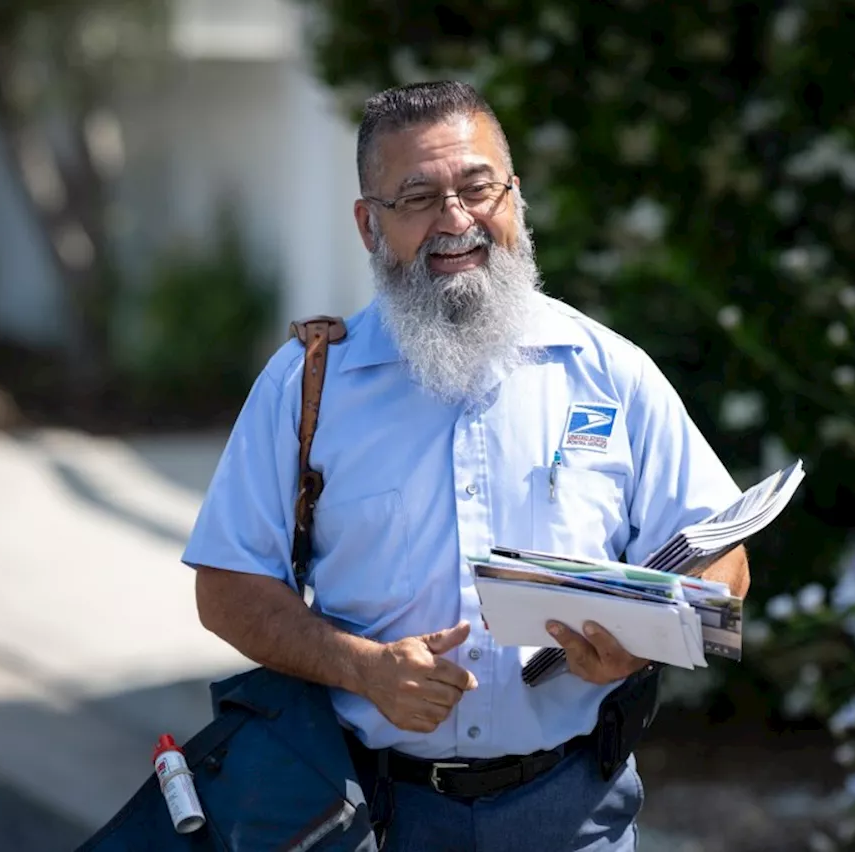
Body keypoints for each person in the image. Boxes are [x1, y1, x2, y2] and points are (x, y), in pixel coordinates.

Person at [183, 80, 749, 852]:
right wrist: (363, 668)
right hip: (373, 814)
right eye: (417, 197)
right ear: (368, 224)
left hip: (574, 808)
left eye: (478, 188)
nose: (456, 221)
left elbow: (723, 556)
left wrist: (638, 643)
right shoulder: (307, 385)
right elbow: (226, 587)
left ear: (514, 197)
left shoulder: (610, 371)